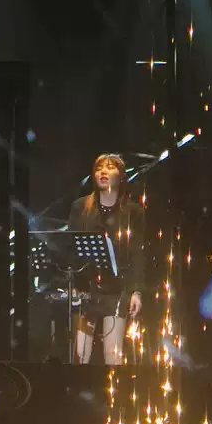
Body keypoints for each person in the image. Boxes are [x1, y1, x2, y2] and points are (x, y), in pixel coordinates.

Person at [69, 153, 145, 365]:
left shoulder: (133, 211)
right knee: (79, 356)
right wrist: (73, 284)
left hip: (116, 289)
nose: (103, 171)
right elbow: (70, 249)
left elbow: (138, 254)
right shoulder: (81, 207)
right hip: (85, 288)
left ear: (121, 176)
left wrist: (136, 291)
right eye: (99, 168)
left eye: (110, 167)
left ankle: (115, 389)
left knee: (113, 357)